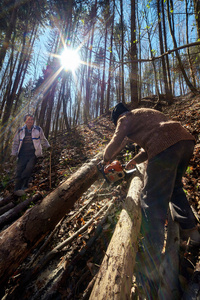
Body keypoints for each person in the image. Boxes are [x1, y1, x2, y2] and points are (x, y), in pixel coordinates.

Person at [103, 103, 200, 297]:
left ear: (117, 117)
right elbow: (157, 140)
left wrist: (105, 159)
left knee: (151, 200)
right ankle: (193, 232)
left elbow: (117, 139)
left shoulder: (125, 118)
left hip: (166, 146)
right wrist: (134, 162)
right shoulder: (147, 114)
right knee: (175, 188)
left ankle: (151, 256)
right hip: (185, 142)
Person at [11, 114, 50, 196]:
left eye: (32, 119)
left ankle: (24, 186)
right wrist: (13, 153)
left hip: (33, 154)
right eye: (28, 119)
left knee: (28, 169)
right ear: (25, 121)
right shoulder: (20, 130)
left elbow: (43, 140)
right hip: (22, 154)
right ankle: (17, 188)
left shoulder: (38, 129)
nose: (30, 121)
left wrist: (48, 147)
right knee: (19, 170)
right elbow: (15, 143)